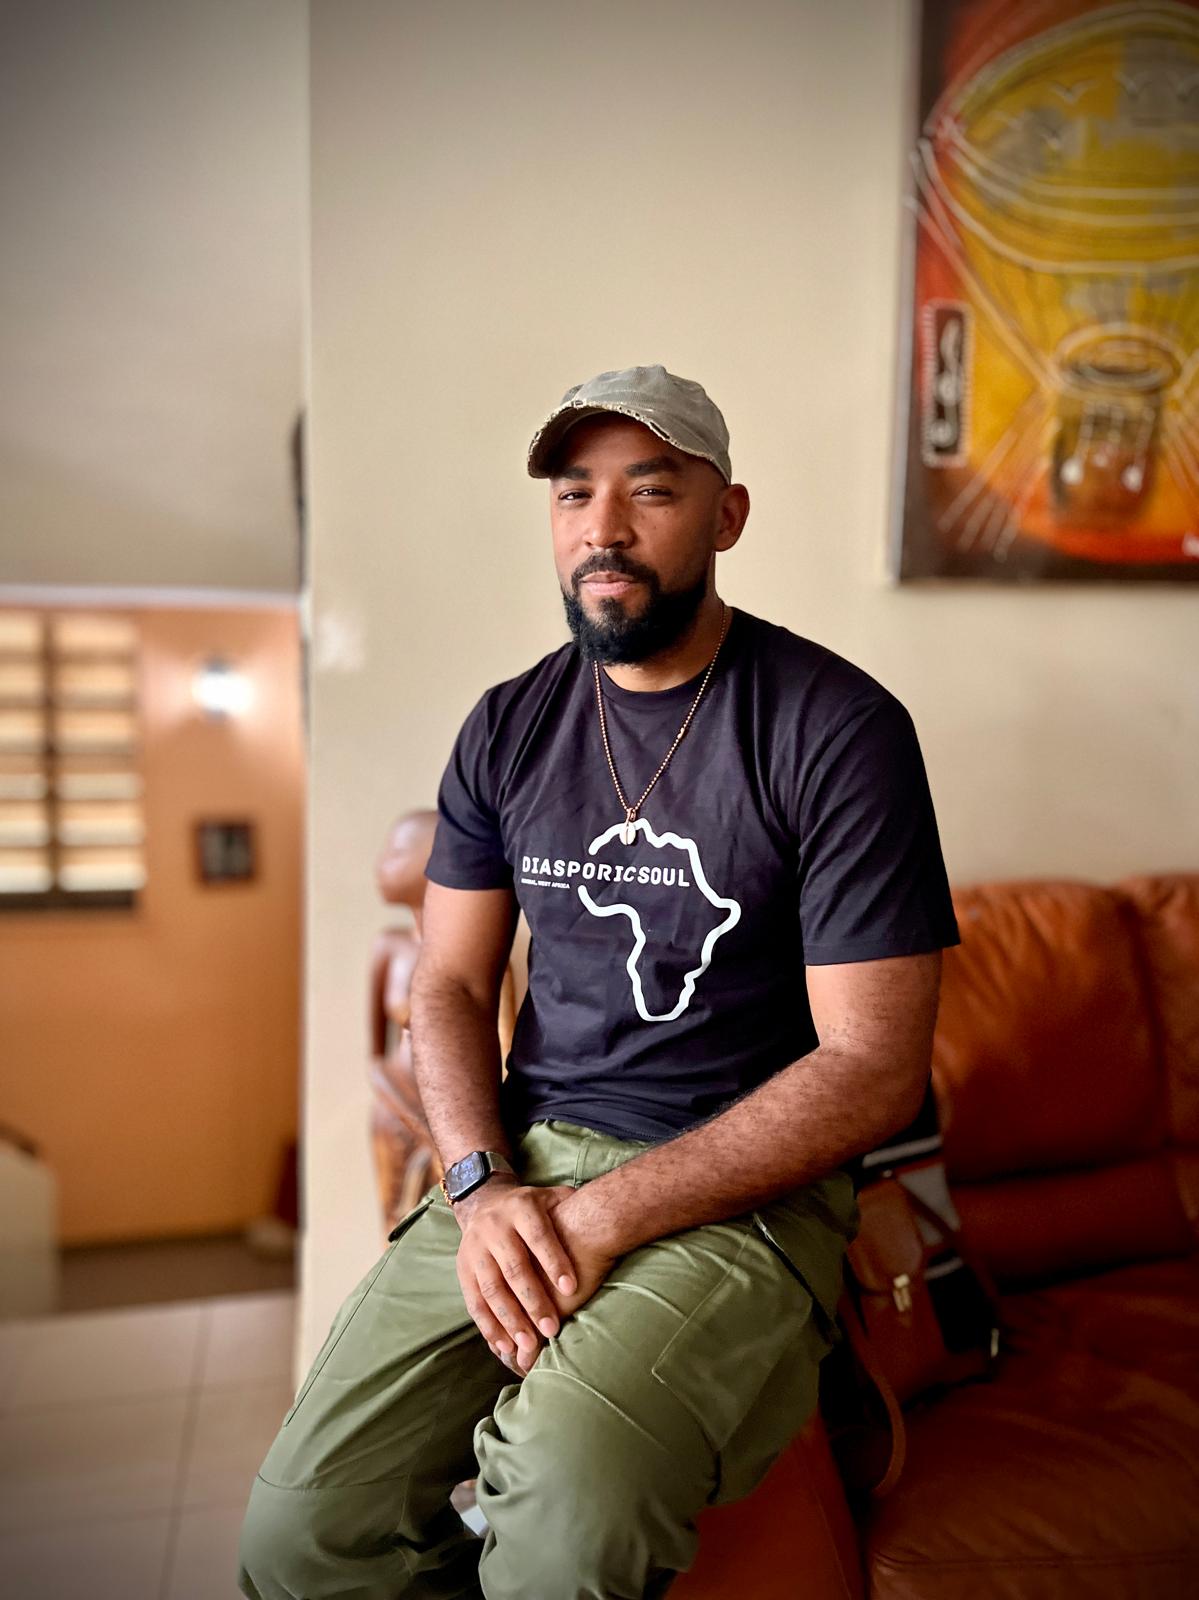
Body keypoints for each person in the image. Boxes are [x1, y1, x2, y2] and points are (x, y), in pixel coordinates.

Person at [238, 364, 961, 1600]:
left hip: (748, 1196)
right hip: (522, 1167)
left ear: (727, 516)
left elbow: (873, 1066)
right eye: (574, 494)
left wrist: (607, 1215)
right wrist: (476, 1187)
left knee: (566, 1514)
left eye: (651, 491)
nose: (603, 529)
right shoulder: (509, 726)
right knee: (303, 1530)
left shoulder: (837, 729)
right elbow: (451, 987)